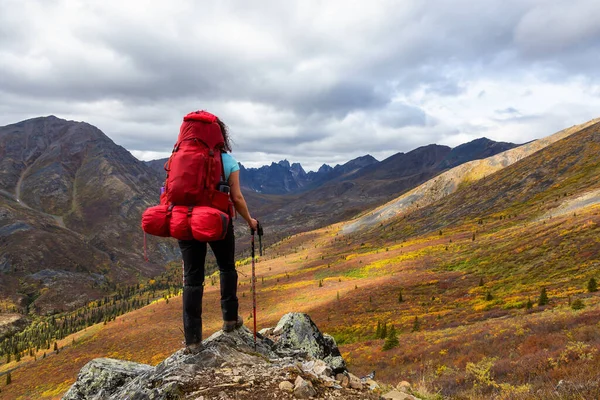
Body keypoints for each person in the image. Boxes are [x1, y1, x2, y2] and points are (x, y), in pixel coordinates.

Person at [178, 116, 258, 353]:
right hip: (217, 221)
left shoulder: (179, 158)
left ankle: (192, 341)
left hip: (186, 222)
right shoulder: (227, 160)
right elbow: (236, 198)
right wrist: (250, 221)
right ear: (220, 136)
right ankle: (230, 320)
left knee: (192, 279)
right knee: (226, 267)